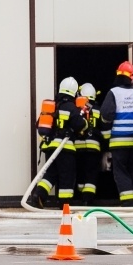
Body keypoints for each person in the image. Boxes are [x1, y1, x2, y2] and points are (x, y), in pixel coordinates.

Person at [28, 77, 88, 208]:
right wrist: (84, 118)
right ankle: (64, 204)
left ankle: (39, 196)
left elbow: (39, 124)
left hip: (50, 146)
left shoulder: (52, 106)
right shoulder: (71, 107)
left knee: (51, 174)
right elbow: (80, 125)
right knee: (67, 175)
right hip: (64, 148)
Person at [100, 61, 133, 207]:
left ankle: (127, 200)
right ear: (132, 77)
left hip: (118, 142)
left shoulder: (113, 92)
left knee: (120, 170)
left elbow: (106, 114)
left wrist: (107, 122)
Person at [74, 82, 103, 206]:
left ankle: (80, 196)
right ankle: (88, 199)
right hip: (94, 147)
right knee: (91, 173)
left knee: (79, 171)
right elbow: (103, 129)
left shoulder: (76, 109)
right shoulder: (98, 110)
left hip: (78, 147)